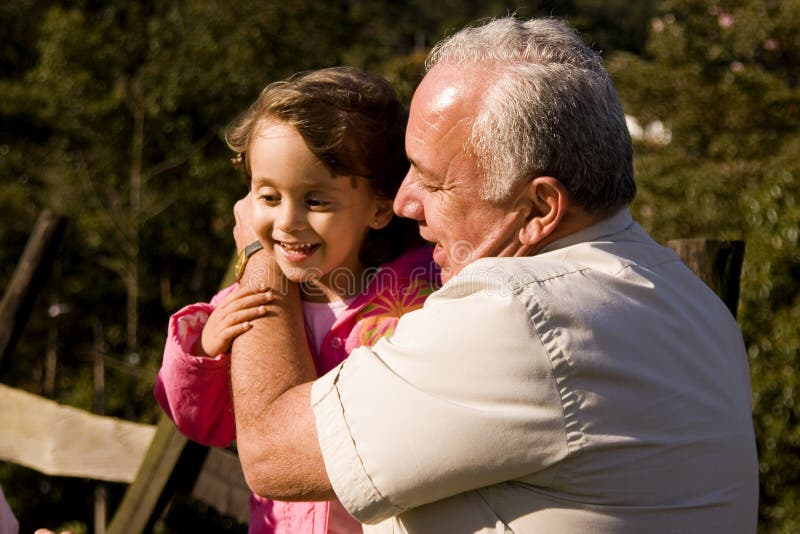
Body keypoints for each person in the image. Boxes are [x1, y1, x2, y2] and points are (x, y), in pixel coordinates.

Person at [229, 17, 759, 533]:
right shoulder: (691, 299)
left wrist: (258, 252)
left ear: (539, 208)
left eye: (434, 183)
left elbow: (272, 453)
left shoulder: (517, 312)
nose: (406, 201)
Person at [155, 67, 438, 533]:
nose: (287, 221)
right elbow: (202, 424)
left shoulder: (418, 290)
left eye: (316, 201)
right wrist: (203, 349)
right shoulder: (245, 303)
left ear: (379, 207)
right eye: (268, 196)